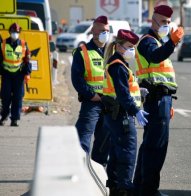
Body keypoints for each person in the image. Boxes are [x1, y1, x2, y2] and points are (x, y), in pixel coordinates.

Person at [133, 5, 184, 196]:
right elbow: (155, 58)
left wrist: (169, 102)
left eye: (169, 23)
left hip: (162, 99)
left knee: (149, 146)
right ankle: (149, 190)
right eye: (163, 22)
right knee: (156, 148)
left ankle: (139, 188)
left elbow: (163, 76)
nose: (167, 25)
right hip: (156, 100)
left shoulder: (158, 42)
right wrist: (171, 42)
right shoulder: (148, 42)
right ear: (153, 21)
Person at [102, 29, 148, 196]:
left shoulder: (119, 64)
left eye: (133, 47)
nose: (132, 50)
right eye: (130, 46)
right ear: (119, 46)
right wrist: (136, 111)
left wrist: (138, 90)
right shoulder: (118, 66)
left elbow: (123, 89)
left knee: (117, 151)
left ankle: (114, 185)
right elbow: (122, 94)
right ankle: (124, 187)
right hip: (121, 115)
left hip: (116, 114)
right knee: (128, 150)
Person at [71, 15, 111, 164]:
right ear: (93, 31)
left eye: (107, 30)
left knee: (105, 138)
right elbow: (77, 79)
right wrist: (91, 94)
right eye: (102, 30)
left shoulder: (112, 52)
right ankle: (80, 166)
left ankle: (99, 169)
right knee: (84, 135)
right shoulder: (82, 52)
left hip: (109, 102)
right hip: (92, 101)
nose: (105, 33)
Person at [0, 23, 32, 126]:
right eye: (13, 32)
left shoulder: (23, 44)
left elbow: (27, 59)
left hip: (19, 75)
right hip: (7, 74)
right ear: (10, 32)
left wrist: (27, 73)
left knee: (18, 98)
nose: (15, 34)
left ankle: (14, 119)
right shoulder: (3, 43)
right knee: (5, 97)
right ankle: (4, 117)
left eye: (17, 32)